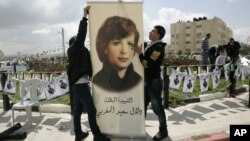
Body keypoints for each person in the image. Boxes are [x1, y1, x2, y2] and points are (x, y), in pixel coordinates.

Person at [67, 6, 110, 141]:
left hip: (79, 85)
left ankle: (78, 134)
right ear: (75, 43)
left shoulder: (77, 54)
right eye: (79, 42)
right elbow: (81, 36)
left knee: (78, 111)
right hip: (80, 86)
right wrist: (84, 18)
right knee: (91, 110)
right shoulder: (74, 49)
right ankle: (97, 136)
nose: (83, 44)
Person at [93, 16, 142, 92]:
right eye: (116, 43)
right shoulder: (98, 81)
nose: (124, 51)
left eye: (130, 44)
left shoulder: (138, 80)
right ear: (105, 47)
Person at [138, 25, 168, 141]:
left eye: (153, 31)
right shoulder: (151, 45)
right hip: (147, 81)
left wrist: (139, 53)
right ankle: (141, 128)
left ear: (158, 34)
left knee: (157, 108)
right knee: (143, 105)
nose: (150, 32)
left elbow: (147, 64)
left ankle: (163, 131)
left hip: (154, 83)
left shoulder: (159, 47)